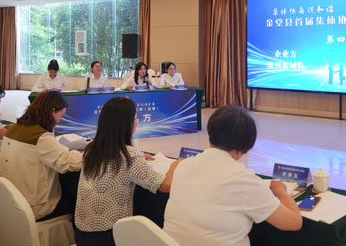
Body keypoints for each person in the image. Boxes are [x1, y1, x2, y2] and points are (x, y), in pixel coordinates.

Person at [163, 105, 302, 246]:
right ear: (244, 146)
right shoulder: (244, 180)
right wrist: (281, 192)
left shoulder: (181, 166)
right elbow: (294, 222)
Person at [75, 97, 178, 246]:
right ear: (127, 124)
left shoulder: (92, 148)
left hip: (81, 234)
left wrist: (140, 155)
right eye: (136, 118)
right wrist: (176, 164)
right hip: (109, 236)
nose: (137, 122)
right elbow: (164, 186)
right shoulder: (129, 156)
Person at [0, 91, 82, 220]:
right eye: (60, 115)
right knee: (78, 200)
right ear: (52, 111)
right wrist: (85, 154)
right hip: (32, 206)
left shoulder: (13, 129)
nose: (59, 120)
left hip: (8, 199)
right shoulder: (42, 137)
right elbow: (68, 163)